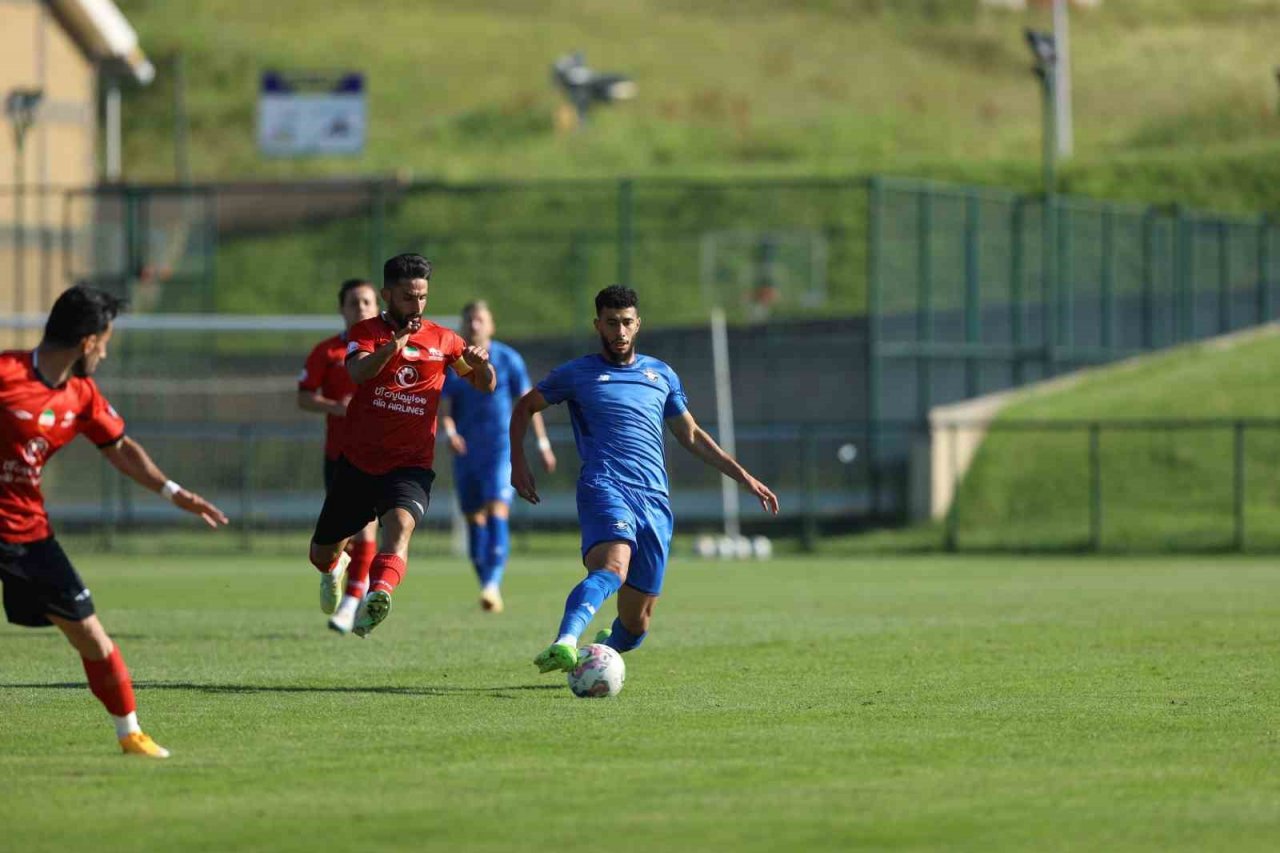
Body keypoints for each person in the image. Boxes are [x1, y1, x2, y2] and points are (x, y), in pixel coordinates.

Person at [0, 284, 229, 757]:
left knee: (91, 634)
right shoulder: (6, 372)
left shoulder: (81, 395)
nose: (105, 351)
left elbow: (121, 449)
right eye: (105, 341)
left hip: (26, 533)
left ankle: (131, 734)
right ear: (88, 341)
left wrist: (173, 492)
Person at [510, 285, 779, 673]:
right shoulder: (576, 373)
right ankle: (565, 641)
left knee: (637, 626)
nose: (619, 331)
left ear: (638, 324)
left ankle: (600, 652)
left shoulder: (661, 374)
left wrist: (744, 477)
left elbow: (690, 435)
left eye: (626, 323)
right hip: (604, 485)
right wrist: (518, 462)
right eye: (611, 323)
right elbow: (525, 407)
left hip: (654, 499)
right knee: (612, 568)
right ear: (597, 324)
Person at [309, 254, 495, 637]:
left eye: (423, 296)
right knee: (321, 554)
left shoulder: (443, 339)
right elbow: (359, 372)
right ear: (387, 294)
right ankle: (335, 567)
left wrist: (482, 365)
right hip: (359, 463)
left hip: (410, 464)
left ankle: (380, 593)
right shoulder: (365, 332)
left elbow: (483, 384)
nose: (417, 305)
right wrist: (394, 345)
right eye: (409, 297)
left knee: (400, 527)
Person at [440, 300, 556, 613]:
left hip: (500, 448)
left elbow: (528, 403)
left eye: (479, 319)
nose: (474, 325)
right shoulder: (454, 363)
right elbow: (447, 410)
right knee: (474, 518)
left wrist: (543, 443)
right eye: (469, 320)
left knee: (497, 509)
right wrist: (450, 433)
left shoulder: (508, 359)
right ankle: (487, 586)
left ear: (491, 325)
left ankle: (492, 584)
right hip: (466, 452)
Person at [297, 278, 380, 618]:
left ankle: (350, 605)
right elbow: (304, 397)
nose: (360, 308)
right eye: (353, 303)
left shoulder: (390, 348)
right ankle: (334, 566)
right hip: (340, 456)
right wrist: (336, 406)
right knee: (340, 537)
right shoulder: (327, 352)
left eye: (366, 302)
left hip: (381, 455)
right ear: (342, 309)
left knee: (367, 528)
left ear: (378, 307)